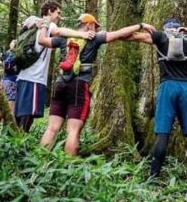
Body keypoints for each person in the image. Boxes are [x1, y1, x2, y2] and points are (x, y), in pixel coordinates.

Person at [40, 14, 156, 155]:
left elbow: (42, 41)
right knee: (73, 130)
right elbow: (119, 33)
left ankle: (41, 162)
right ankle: (69, 165)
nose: (95, 29)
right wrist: (141, 25)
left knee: (51, 128)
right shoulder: (93, 38)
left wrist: (44, 24)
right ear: (89, 25)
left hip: (60, 84)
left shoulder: (64, 37)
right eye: (95, 26)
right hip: (79, 86)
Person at [129, 18, 187, 177]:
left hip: (167, 86)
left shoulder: (160, 37)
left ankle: (154, 175)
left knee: (162, 133)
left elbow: (133, 36)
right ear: (179, 29)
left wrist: (137, 28)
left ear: (165, 29)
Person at [15, 2, 95, 132]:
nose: (59, 16)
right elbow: (58, 31)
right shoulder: (49, 24)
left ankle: (11, 141)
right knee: (28, 114)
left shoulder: (32, 21)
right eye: (58, 12)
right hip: (34, 77)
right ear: (49, 12)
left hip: (22, 75)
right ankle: (19, 144)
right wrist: (81, 34)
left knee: (20, 113)